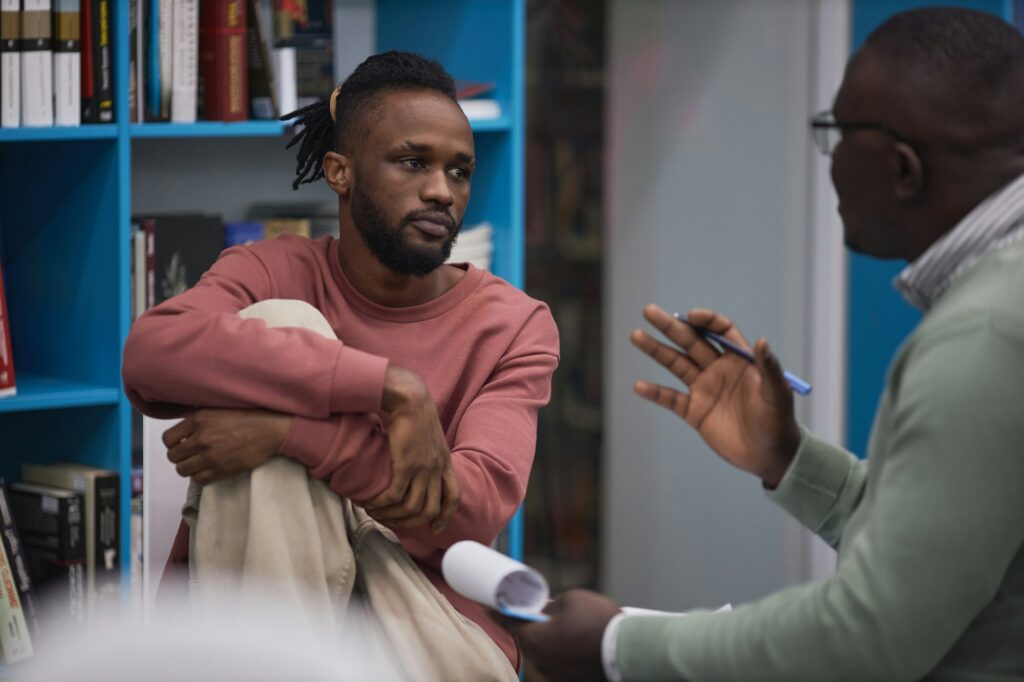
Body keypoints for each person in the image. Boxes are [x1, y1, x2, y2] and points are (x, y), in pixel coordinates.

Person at [499, 8, 1024, 681]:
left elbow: (869, 638)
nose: (828, 169)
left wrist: (616, 646)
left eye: (835, 136)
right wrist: (788, 456)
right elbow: (944, 549)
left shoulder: (983, 335)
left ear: (902, 168)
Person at [122, 50, 559, 672]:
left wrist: (284, 433)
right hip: (249, 615)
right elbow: (150, 354)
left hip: (422, 627)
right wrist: (386, 386)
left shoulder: (513, 324)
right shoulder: (272, 270)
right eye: (413, 163)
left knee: (279, 424)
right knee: (284, 320)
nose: (441, 191)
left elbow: (469, 506)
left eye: (459, 172)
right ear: (339, 171)